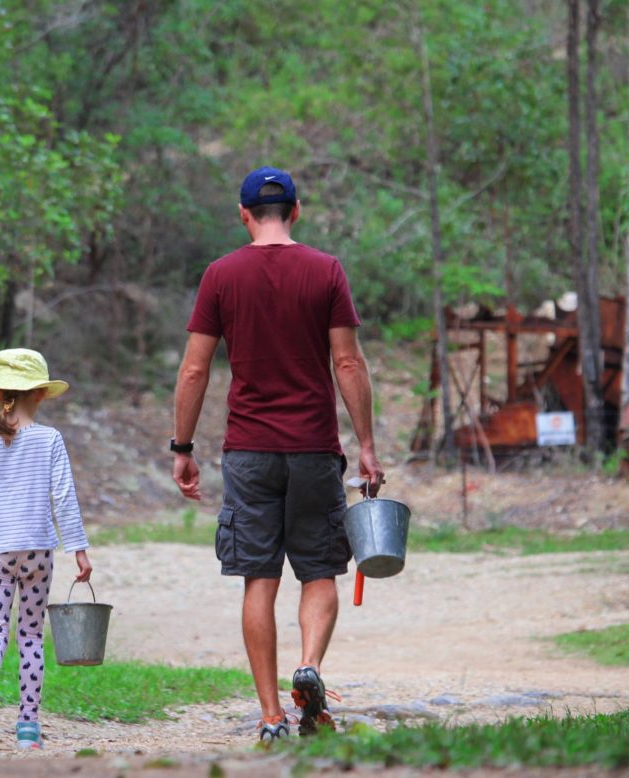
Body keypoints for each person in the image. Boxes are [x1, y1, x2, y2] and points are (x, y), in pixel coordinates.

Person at [170, 166, 385, 745]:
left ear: (244, 215)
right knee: (319, 571)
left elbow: (195, 368)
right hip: (314, 448)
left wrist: (183, 448)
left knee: (258, 580)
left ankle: (271, 716)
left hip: (249, 451)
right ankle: (309, 667)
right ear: (296, 211)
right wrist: (365, 444)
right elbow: (348, 363)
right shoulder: (326, 271)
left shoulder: (221, 275)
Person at [0, 348, 93, 752]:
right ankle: (28, 726)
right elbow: (63, 498)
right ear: (41, 393)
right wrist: (78, 549)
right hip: (38, 553)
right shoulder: (49, 440)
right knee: (29, 636)